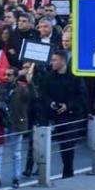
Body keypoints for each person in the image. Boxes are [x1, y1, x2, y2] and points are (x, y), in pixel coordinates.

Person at [39, 50, 88, 178]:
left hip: (73, 115)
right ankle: (67, 168)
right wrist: (52, 104)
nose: (52, 63)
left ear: (63, 61)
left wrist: (68, 106)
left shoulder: (75, 76)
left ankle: (68, 171)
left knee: (68, 142)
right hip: (58, 115)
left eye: (54, 60)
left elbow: (82, 95)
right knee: (62, 143)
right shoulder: (49, 77)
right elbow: (44, 94)